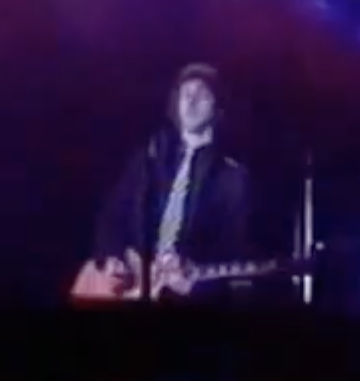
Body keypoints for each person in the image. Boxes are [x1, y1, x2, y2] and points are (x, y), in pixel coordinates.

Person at [88, 63, 251, 302]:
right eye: (186, 94)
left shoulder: (232, 177)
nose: (191, 101)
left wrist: (195, 280)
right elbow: (112, 215)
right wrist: (112, 255)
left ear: (218, 109)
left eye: (202, 95)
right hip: (133, 287)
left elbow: (235, 248)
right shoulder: (149, 158)